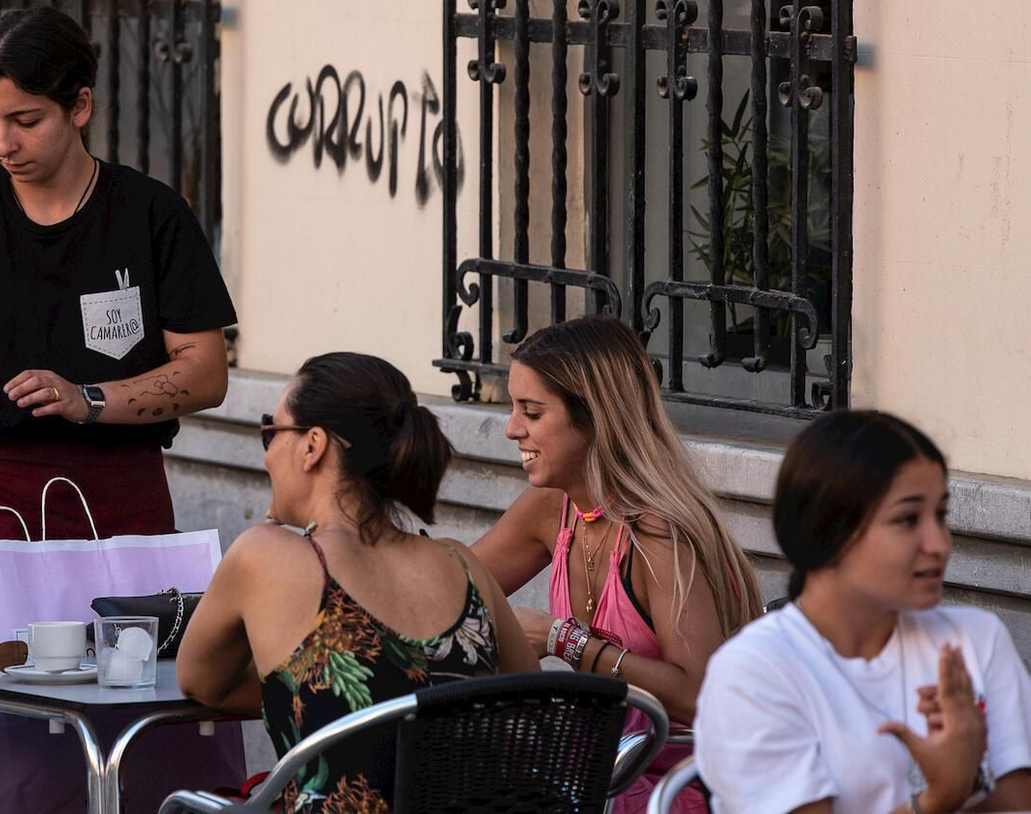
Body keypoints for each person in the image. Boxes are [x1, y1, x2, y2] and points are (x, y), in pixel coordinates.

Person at [0, 6, 236, 543]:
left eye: (26, 121)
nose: (2, 144)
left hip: (122, 498)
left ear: (80, 105)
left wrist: (88, 399)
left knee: (119, 631)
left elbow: (206, 373)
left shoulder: (151, 214)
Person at [177, 353, 537, 811]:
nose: (267, 452)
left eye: (272, 430)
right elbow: (534, 703)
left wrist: (321, 690)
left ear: (312, 446)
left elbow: (202, 682)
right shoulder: (462, 564)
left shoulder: (265, 555)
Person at [469, 315, 762, 813]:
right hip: (602, 764)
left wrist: (563, 639)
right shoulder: (553, 508)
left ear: (594, 418)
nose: (511, 429)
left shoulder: (659, 533)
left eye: (532, 412)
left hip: (681, 781)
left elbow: (699, 696)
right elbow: (450, 591)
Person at [695, 410, 1031, 814]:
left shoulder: (974, 640)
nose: (938, 543)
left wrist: (970, 770)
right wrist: (939, 796)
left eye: (940, 514)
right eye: (907, 519)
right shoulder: (753, 672)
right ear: (829, 531)